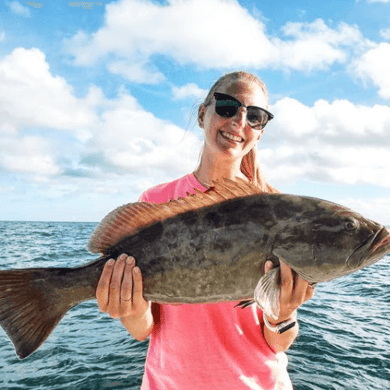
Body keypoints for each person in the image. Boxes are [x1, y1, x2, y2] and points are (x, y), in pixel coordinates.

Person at [95, 71, 314, 389]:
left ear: (261, 131)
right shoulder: (156, 202)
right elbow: (143, 329)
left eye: (255, 116)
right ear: (202, 113)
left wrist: (285, 311)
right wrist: (128, 304)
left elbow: (278, 343)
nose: (240, 121)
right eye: (227, 106)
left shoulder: (278, 211)